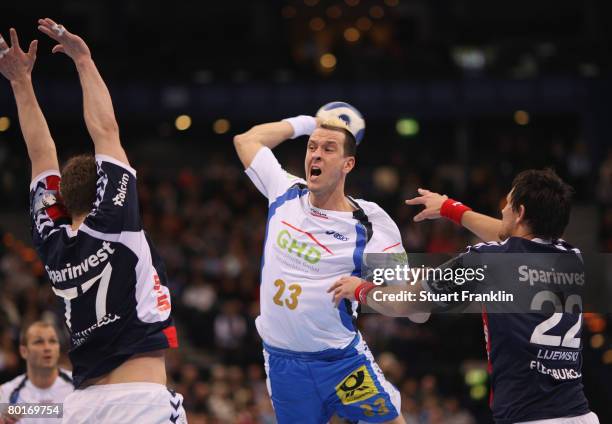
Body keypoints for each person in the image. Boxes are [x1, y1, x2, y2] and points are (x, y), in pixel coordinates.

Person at [0, 21, 186, 423]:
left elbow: (40, 155)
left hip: (82, 408)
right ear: (24, 350)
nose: (48, 345)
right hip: (139, 399)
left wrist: (20, 83)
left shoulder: (52, 242)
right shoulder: (114, 221)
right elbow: (105, 130)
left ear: (61, 200)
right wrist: (83, 59)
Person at [330, 169, 599, 424]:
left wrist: (361, 289)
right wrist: (450, 209)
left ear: (520, 213)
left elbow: (407, 303)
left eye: (508, 203)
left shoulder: (487, 261)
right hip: (580, 413)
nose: (502, 208)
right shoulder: (572, 258)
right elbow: (517, 238)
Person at [234, 107, 422, 423]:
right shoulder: (284, 190)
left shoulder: (370, 223)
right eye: (312, 147)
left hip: (341, 364)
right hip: (283, 364)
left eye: (328, 148)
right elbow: (246, 140)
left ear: (348, 164)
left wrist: (364, 289)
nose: (316, 155)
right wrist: (309, 124)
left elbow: (412, 304)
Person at [0, 322, 72, 424]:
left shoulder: (79, 385)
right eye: (39, 342)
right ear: (24, 351)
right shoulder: (6, 393)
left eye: (53, 341)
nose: (47, 348)